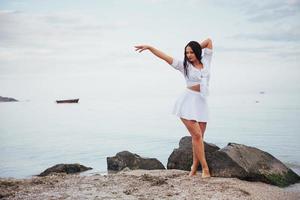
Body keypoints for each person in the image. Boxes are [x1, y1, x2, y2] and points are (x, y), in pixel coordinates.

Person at [134, 38, 213, 178]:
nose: (188, 55)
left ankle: (194, 167)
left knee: (199, 138)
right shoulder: (184, 65)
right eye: (186, 52)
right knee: (196, 136)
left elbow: (208, 41)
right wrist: (150, 47)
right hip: (187, 102)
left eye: (191, 52)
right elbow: (164, 57)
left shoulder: (206, 61)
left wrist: (197, 48)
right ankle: (205, 169)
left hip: (201, 103)